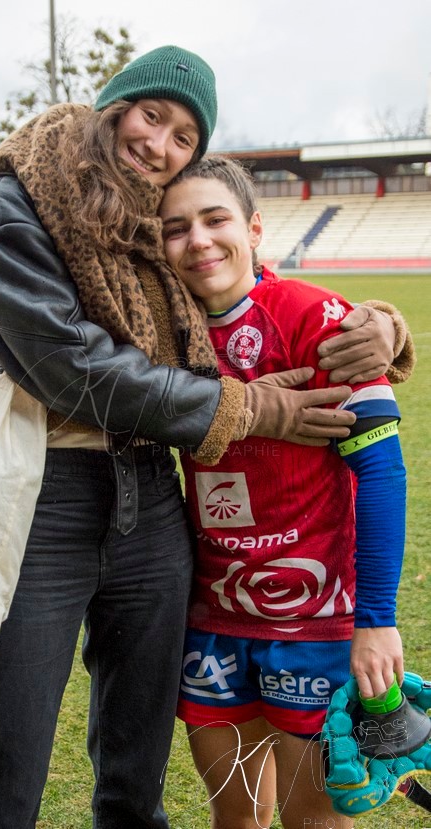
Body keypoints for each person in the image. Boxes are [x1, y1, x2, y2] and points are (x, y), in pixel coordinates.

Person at [0, 46, 412, 829]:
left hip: (154, 499)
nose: (158, 143)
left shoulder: (157, 243)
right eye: (150, 115)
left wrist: (384, 330)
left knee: (138, 762)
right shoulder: (20, 194)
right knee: (9, 742)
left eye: (183, 136)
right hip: (43, 496)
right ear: (113, 106)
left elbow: (257, 305)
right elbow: (76, 366)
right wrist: (252, 409)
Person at [158, 156, 410, 829]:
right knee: (234, 818)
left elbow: (381, 471)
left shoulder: (313, 315)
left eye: (215, 219)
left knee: (313, 820)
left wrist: (375, 619)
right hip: (211, 619)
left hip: (315, 622)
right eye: (176, 228)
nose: (199, 240)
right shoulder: (158, 333)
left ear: (255, 227)